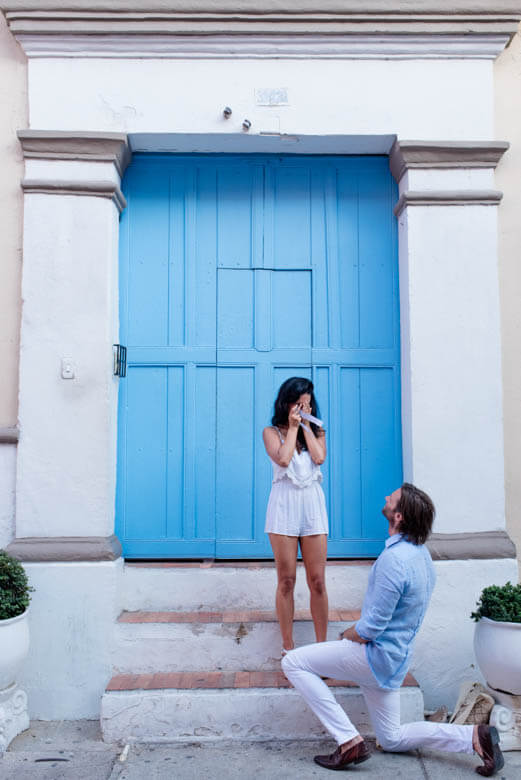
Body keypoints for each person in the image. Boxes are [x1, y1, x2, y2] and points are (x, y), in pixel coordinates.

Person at [282, 483, 504, 777]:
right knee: (391, 738)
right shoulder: (422, 556)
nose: (387, 497)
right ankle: (474, 737)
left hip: (374, 657)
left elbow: (369, 629)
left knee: (293, 662)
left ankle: (348, 741)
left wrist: (346, 634)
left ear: (398, 517)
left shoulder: (393, 561)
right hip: (395, 661)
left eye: (393, 498)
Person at [263, 377, 328, 656]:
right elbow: (284, 459)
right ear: (286, 402)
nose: (302, 406)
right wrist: (291, 428)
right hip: (284, 506)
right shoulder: (270, 432)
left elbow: (319, 457)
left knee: (317, 580)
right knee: (286, 579)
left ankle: (323, 649)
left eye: (306, 402)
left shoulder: (318, 432)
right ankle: (288, 647)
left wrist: (306, 426)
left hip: (311, 505)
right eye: (297, 401)